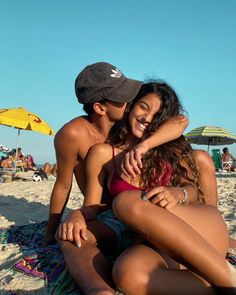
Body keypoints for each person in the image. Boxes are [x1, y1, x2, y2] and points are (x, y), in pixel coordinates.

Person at [57, 81, 235, 294]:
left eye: (157, 115)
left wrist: (176, 192)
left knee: (126, 201)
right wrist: (77, 214)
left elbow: (194, 190)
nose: (147, 118)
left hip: (199, 231)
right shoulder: (103, 154)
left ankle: (229, 282)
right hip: (156, 247)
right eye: (143, 107)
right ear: (130, 106)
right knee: (127, 273)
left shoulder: (171, 148)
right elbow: (94, 206)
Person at [44, 62, 188, 246]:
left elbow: (180, 121)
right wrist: (50, 233)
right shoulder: (73, 135)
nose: (130, 100)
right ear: (100, 108)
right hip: (101, 210)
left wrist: (143, 145)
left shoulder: (129, 125)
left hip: (136, 205)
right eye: (122, 96)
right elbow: (63, 185)